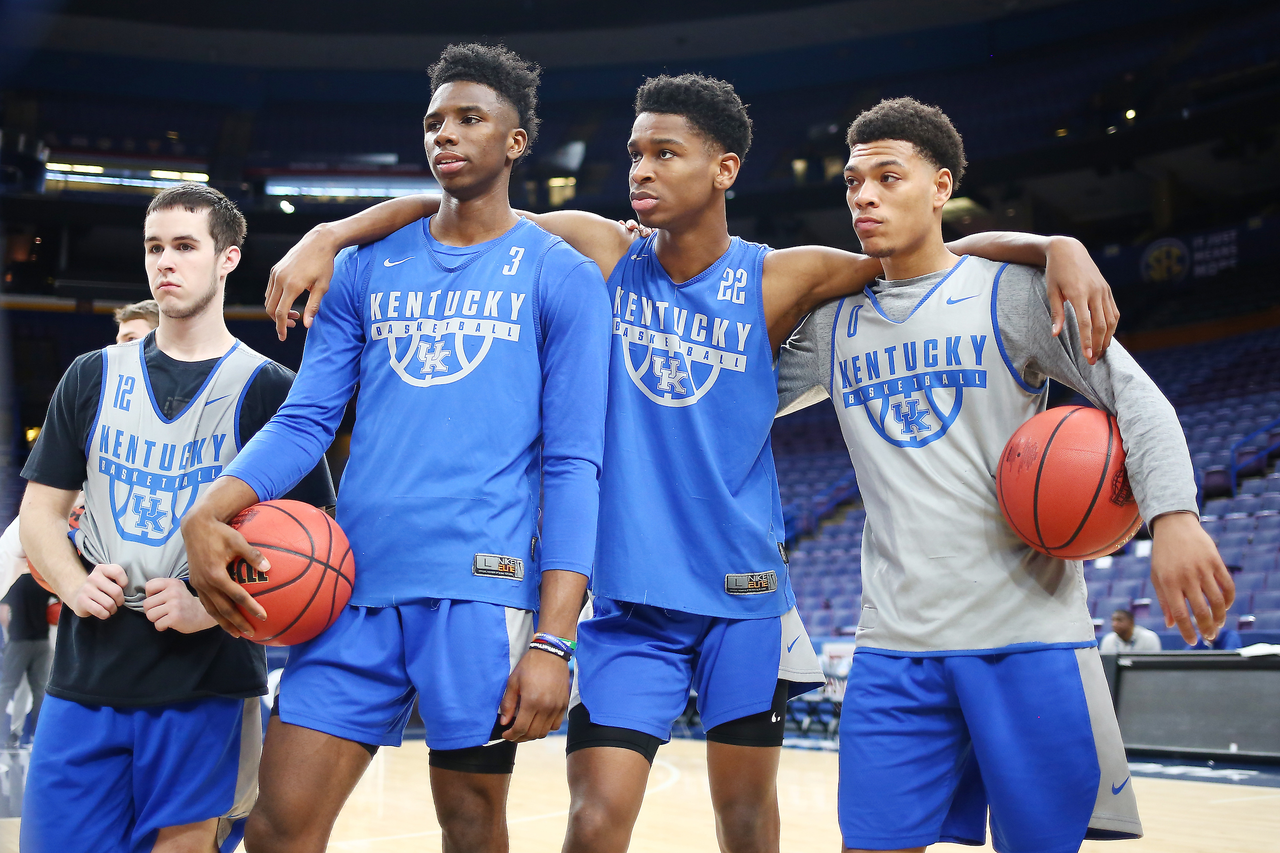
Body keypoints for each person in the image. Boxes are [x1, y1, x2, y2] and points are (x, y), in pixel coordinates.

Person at [263, 74, 1121, 853]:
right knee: (594, 823)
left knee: (745, 824)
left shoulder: (783, 277)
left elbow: (923, 254)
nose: (640, 169)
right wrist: (333, 233)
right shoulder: (597, 251)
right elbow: (462, 205)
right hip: (630, 603)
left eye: (664, 153)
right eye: (635, 152)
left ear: (724, 169)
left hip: (742, 600)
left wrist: (1054, 246)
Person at [180, 44, 611, 853]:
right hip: (348, 588)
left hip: (479, 594)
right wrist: (215, 502)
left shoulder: (561, 275)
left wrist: (555, 639)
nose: (445, 135)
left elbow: (574, 463)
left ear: (517, 142)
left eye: (470, 119)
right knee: (276, 829)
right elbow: (307, 420)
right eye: (434, 122)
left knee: (473, 826)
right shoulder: (361, 270)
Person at [777, 97, 1233, 853]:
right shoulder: (834, 326)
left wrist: (1174, 517)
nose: (864, 194)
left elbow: (1136, 399)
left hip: (1027, 636)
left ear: (940, 185)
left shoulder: (1010, 293)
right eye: (853, 181)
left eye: (888, 176)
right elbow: (726, 398)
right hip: (893, 645)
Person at [18, 182, 335, 853]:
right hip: (86, 672)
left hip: (208, 682)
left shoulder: (271, 389)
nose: (164, 261)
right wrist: (72, 582)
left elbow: (312, 547)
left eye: (184, 246)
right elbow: (40, 514)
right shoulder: (90, 375)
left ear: (227, 258)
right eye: (154, 247)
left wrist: (212, 604)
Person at [0, 571, 53, 744]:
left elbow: (3, 611)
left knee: (6, 688)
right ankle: (36, 738)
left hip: (19, 640)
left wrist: (10, 635)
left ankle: (2, 737)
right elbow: (57, 604)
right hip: (41, 642)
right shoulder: (41, 580)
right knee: (39, 690)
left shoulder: (14, 579)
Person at [1099, 609, 1165, 654]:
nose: (1114, 624)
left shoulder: (1149, 638)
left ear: (1131, 622)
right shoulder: (1108, 639)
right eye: (1113, 620)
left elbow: (1153, 665)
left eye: (1119, 620)